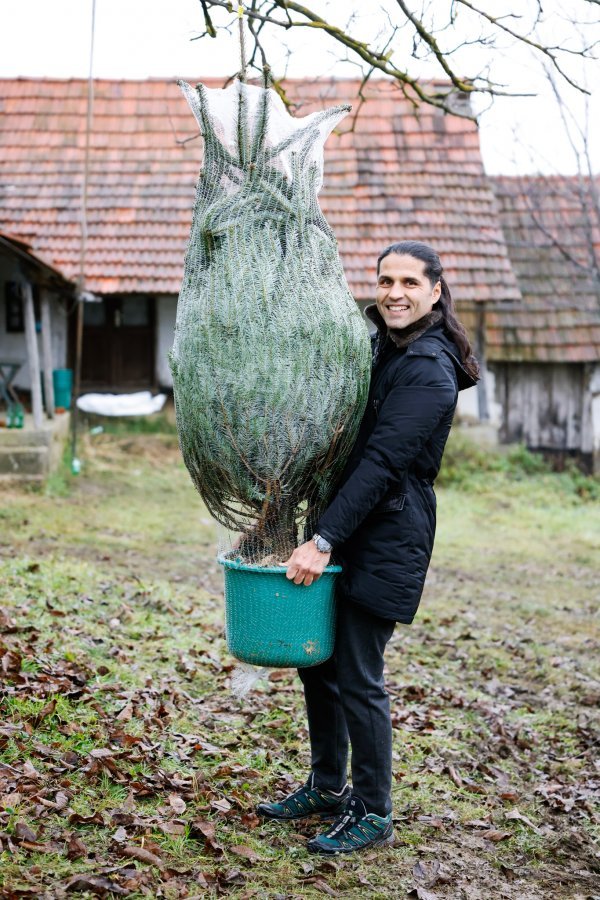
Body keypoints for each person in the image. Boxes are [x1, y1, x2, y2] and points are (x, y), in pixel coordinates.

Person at [257, 240, 479, 854]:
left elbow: (382, 462)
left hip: (389, 534)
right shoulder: (380, 343)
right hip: (349, 520)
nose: (394, 293)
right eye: (385, 280)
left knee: (358, 673)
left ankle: (374, 810)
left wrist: (323, 539)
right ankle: (328, 784)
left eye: (410, 282)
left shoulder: (429, 368)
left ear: (435, 291)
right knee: (319, 664)